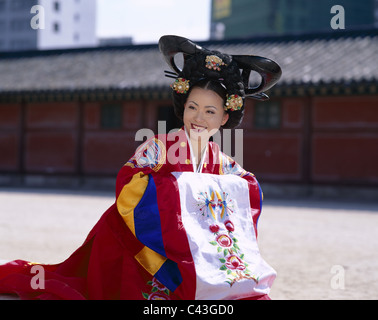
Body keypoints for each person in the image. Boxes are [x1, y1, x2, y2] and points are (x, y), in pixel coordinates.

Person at [0, 35, 281, 300]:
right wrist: (177, 188)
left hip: (185, 248)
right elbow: (128, 188)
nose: (198, 118)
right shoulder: (157, 147)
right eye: (192, 107)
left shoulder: (223, 163)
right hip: (133, 242)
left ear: (224, 118)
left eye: (210, 112)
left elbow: (248, 192)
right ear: (182, 106)